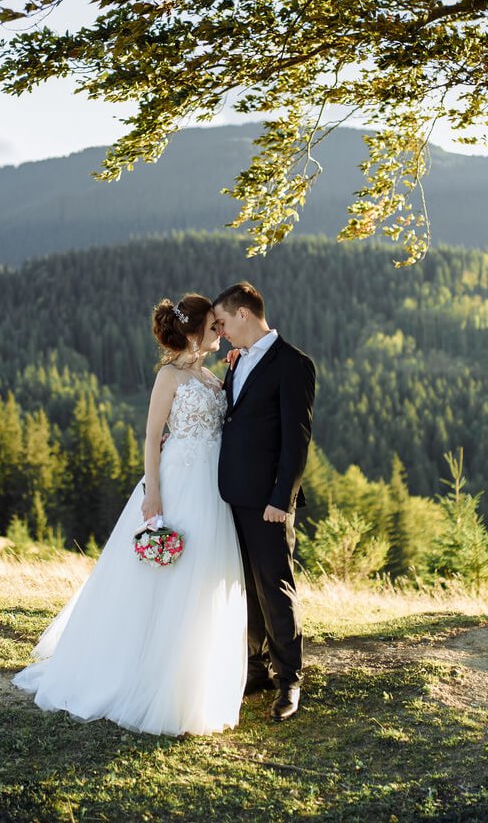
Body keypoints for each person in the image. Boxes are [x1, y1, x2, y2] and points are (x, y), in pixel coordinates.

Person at [12, 294, 247, 736]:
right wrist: (152, 493)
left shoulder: (210, 375)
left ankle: (188, 677)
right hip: (178, 483)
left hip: (212, 490)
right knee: (164, 577)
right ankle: (140, 676)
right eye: (214, 326)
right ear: (195, 330)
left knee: (198, 577)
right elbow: (151, 436)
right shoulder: (170, 377)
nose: (220, 332)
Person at [213, 282, 316, 722]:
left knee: (275, 587)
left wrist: (283, 499)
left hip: (269, 501)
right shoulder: (237, 362)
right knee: (245, 587)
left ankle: (289, 679)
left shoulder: (294, 364)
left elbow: (297, 441)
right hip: (231, 496)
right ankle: (254, 669)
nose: (220, 332)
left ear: (243, 314)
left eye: (221, 322)